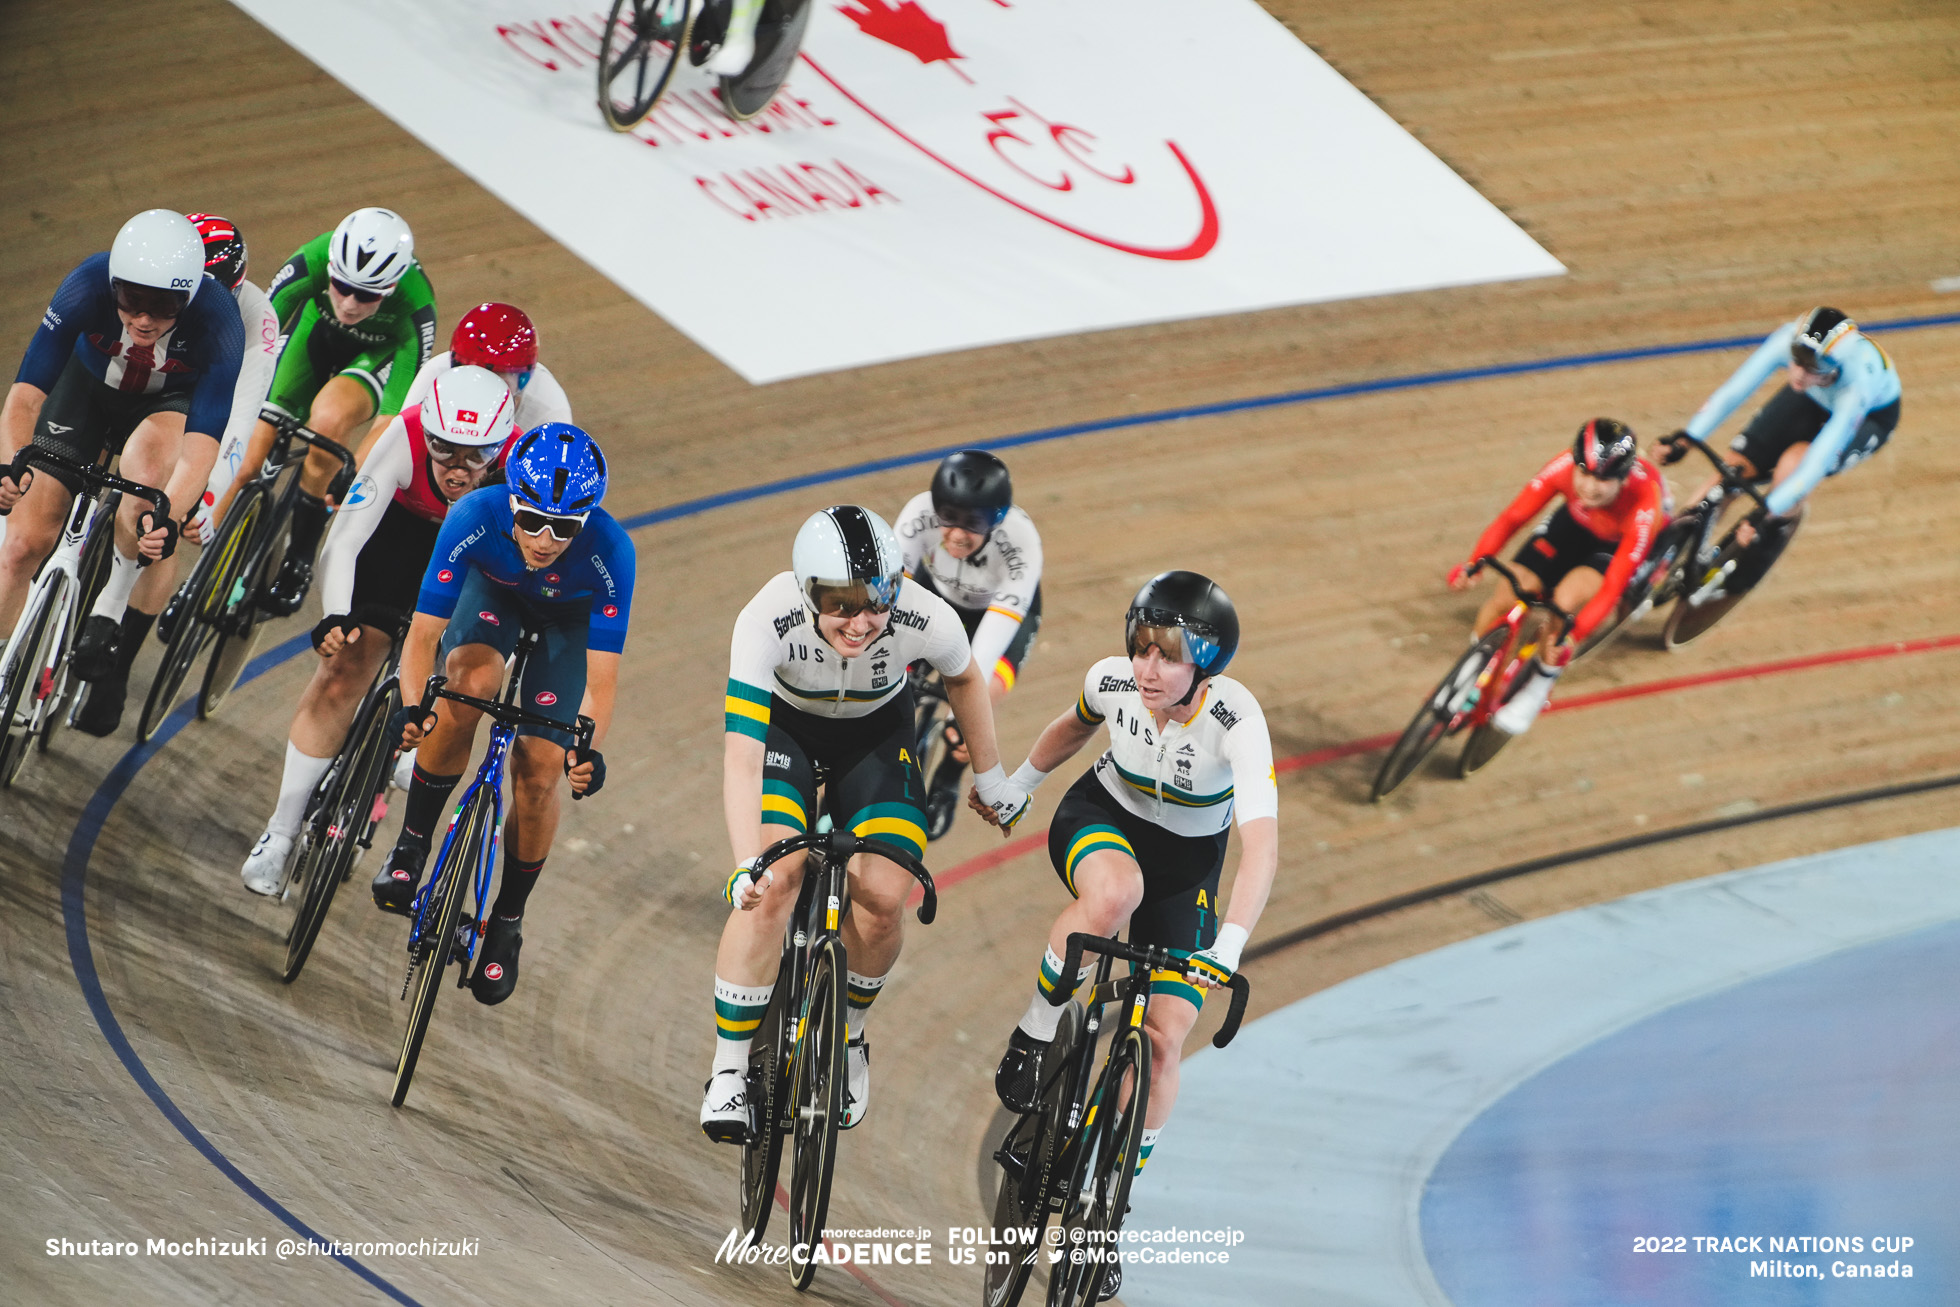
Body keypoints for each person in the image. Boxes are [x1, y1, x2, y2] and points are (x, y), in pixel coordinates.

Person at [700, 506, 1025, 1142]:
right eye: (841, 606)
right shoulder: (766, 619)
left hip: (877, 735)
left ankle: (848, 1034)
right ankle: (730, 1070)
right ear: (806, 592)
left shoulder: (921, 614)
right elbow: (742, 757)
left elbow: (964, 677)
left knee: (880, 898)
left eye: (876, 600)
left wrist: (991, 779)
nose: (862, 621)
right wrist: (747, 864)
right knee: (774, 884)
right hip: (784, 734)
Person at [985, 571, 1277, 1270]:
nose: (1147, 668)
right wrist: (1020, 784)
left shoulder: (1236, 719)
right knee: (1114, 894)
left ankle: (1107, 1203)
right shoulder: (1113, 681)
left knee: (1165, 1040)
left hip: (1187, 867)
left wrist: (1229, 945)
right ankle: (1033, 1036)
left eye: (1167, 655)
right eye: (1141, 648)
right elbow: (1072, 726)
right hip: (1102, 820)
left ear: (1203, 663)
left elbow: (1261, 845)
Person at [374, 423, 632, 1006]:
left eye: (564, 528)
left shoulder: (614, 552)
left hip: (568, 622)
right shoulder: (475, 515)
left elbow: (601, 681)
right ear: (509, 500)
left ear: (585, 523)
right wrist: (414, 705)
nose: (544, 540)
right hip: (494, 595)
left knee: (540, 769)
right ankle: (412, 843)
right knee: (468, 687)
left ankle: (507, 922)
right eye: (533, 520)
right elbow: (422, 638)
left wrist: (584, 749)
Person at [237, 366, 517, 895]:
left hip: (475, 554)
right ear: (427, 433)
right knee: (344, 669)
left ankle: (411, 743)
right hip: (400, 536)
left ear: (501, 447)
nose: (458, 469)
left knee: (459, 664)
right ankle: (280, 832)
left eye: (476, 455)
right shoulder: (405, 437)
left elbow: (520, 583)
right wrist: (338, 617)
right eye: (445, 449)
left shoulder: (515, 469)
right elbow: (344, 541)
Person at [0, 211, 243, 719]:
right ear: (114, 285)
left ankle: (110, 607)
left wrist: (169, 515)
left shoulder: (219, 319)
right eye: (133, 301)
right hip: (86, 391)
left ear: (191, 298)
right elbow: (24, 396)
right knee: (21, 544)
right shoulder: (87, 284)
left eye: (166, 306)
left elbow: (202, 442)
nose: (146, 320)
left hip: (165, 406)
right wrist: (11, 465)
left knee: (149, 483)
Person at [86, 213, 282, 736]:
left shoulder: (255, 319)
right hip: (148, 378)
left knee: (157, 508)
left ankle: (117, 669)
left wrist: (209, 497)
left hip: (199, 403)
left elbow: (238, 422)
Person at [212, 207, 437, 617]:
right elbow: (256, 336)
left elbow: (393, 419)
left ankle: (299, 558)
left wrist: (357, 469)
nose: (349, 304)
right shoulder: (310, 260)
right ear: (330, 269)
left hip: (375, 355)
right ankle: (202, 567)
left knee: (327, 423)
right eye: (341, 286)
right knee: (246, 460)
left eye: (367, 295)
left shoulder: (416, 305)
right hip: (315, 334)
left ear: (391, 288)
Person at [1445, 418, 1666, 736]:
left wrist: (1573, 636)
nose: (1590, 486)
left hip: (1613, 545)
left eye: (1603, 479)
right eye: (1585, 472)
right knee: (1511, 591)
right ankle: (1469, 673)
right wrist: (1474, 564)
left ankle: (1537, 689)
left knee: (1564, 606)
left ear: (1623, 477)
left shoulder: (1645, 506)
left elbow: (1613, 586)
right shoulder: (1563, 467)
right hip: (1575, 523)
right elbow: (1512, 518)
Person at [1663, 306, 1900, 561]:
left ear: (1833, 367)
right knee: (1732, 470)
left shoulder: (1856, 388)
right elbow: (1734, 391)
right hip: (1812, 395)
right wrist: (1688, 438)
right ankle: (1661, 559)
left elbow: (1816, 463)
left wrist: (1768, 510)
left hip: (1869, 417)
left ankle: (1755, 554)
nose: (1798, 373)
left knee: (1793, 466)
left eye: (1812, 366)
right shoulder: (1789, 340)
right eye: (1797, 359)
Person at [892, 449, 1044, 838]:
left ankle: (949, 772)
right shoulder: (916, 515)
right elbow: (888, 602)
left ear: (995, 520)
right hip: (933, 594)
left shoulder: (1021, 543)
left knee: (980, 694)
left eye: (972, 523)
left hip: (992, 614)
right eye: (949, 518)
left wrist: (963, 709)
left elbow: (983, 654)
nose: (957, 534)